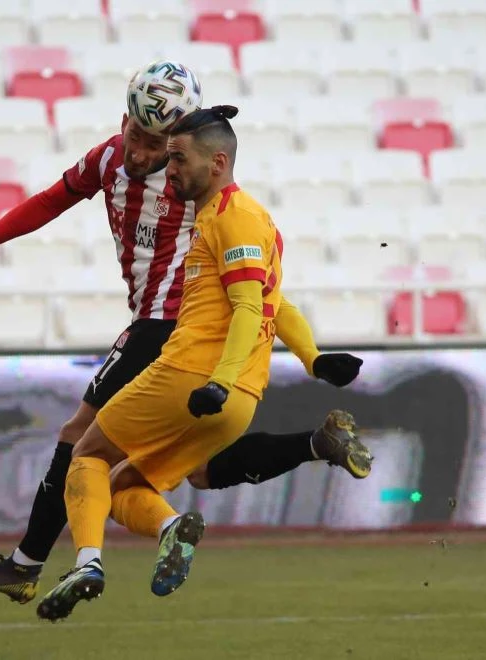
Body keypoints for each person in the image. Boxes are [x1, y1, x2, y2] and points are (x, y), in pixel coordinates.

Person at [0, 63, 372, 607]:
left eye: (158, 145)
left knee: (81, 437)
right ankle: (314, 444)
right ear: (124, 119)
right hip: (178, 335)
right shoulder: (109, 159)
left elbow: (252, 285)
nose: (142, 154)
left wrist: (302, 352)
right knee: (199, 470)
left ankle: (27, 565)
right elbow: (51, 200)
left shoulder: (196, 186)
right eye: (136, 136)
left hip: (167, 327)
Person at [36, 104, 314, 621]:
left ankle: (87, 563)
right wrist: (313, 359)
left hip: (192, 375)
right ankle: (169, 526)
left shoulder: (231, 219)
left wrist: (219, 381)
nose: (170, 168)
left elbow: (249, 308)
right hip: (241, 400)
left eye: (179, 158)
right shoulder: (243, 219)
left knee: (86, 453)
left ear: (218, 162)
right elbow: (274, 301)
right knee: (126, 487)